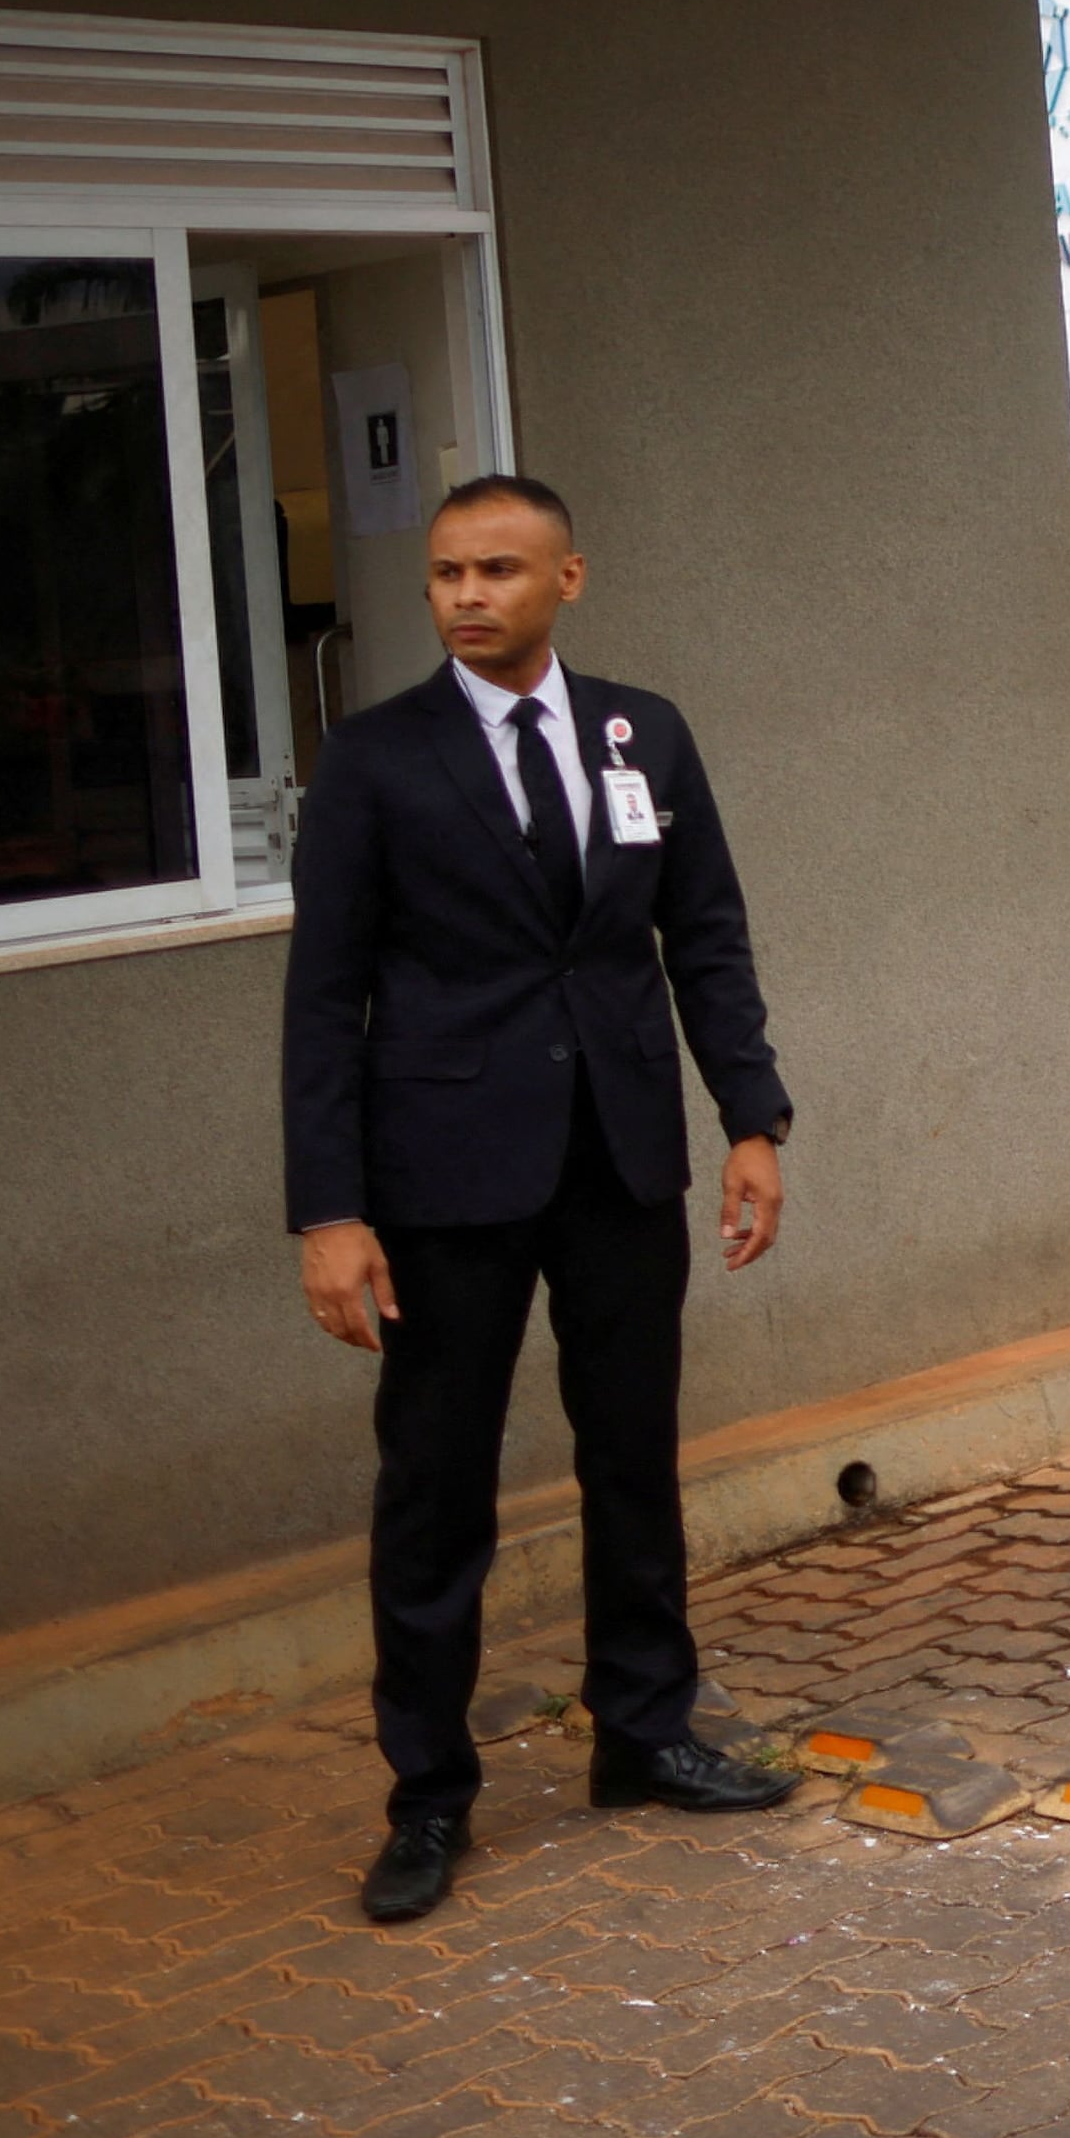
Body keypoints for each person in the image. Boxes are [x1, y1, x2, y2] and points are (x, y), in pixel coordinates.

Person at [283, 473, 801, 1927]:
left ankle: (643, 1733)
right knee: (436, 1488)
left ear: (570, 575)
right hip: (445, 1179)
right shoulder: (376, 760)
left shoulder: (645, 730)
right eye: (446, 571)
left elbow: (704, 932)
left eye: (498, 568)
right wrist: (330, 1211)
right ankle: (428, 1797)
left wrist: (749, 1114)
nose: (465, 594)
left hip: (622, 1154)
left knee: (632, 1456)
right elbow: (323, 1004)